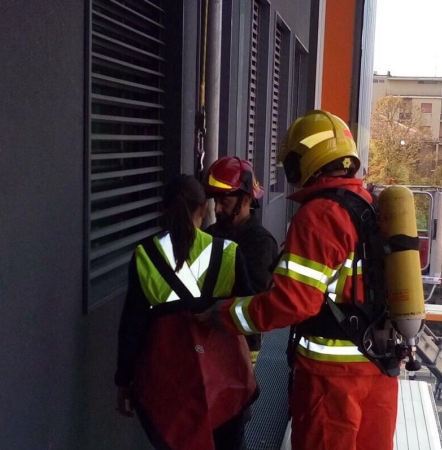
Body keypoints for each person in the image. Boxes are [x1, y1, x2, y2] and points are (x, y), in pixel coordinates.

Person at [198, 110, 398, 450]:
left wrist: (222, 315)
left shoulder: (320, 215)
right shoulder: (368, 205)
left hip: (331, 382)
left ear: (305, 159)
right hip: (377, 370)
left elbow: (292, 302)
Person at [115, 174, 257, 450]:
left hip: (168, 386)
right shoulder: (228, 252)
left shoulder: (145, 255)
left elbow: (132, 327)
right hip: (225, 381)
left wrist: (123, 381)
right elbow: (250, 313)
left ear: (164, 210)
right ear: (203, 209)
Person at [202, 156, 279, 366]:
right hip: (206, 339)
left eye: (224, 202)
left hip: (239, 346)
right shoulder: (210, 234)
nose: (216, 209)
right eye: (215, 201)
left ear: (245, 201)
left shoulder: (260, 243)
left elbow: (254, 301)